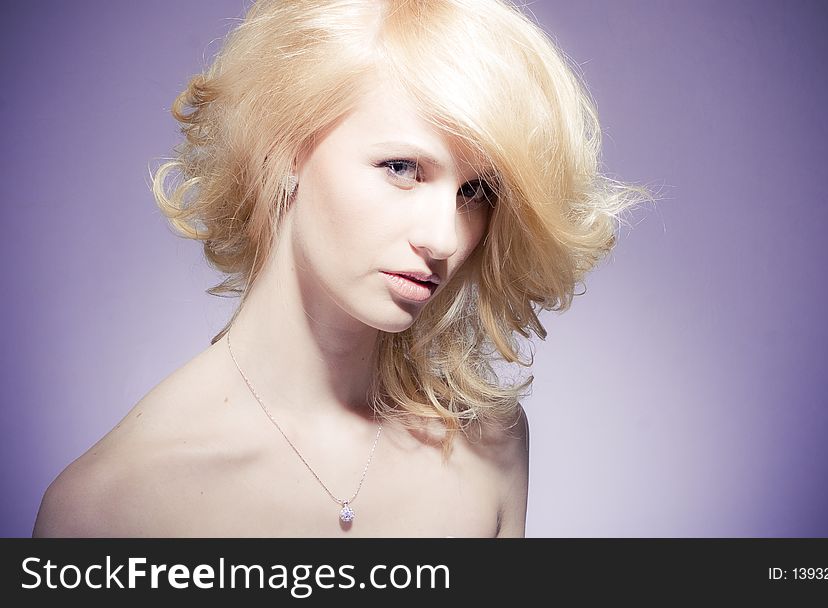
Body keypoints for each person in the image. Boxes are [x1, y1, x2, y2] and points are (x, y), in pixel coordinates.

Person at [33, 0, 649, 537]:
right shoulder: (107, 508)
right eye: (403, 167)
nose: (443, 238)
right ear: (288, 146)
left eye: (476, 192)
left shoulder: (492, 447)